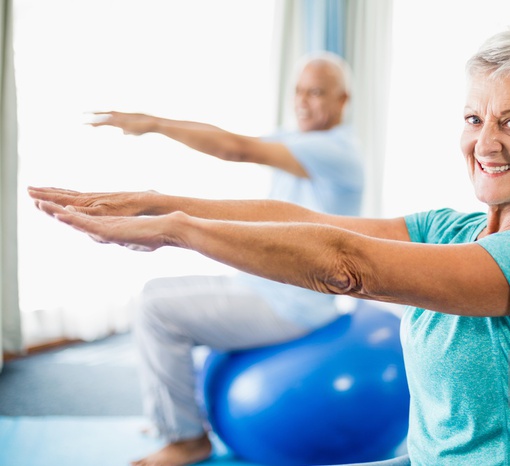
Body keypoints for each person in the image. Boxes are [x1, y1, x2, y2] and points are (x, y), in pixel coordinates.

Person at [30, 21, 510, 466]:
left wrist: (178, 231)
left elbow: (347, 264)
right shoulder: (452, 228)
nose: (485, 142)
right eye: (474, 118)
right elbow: (298, 216)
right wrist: (159, 201)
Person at [79, 51, 364, 466]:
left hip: (293, 305)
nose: (303, 101)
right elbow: (233, 141)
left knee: (156, 310)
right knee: (153, 291)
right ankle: (177, 416)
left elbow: (235, 149)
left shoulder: (336, 152)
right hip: (258, 285)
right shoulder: (298, 140)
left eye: (317, 92)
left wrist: (155, 124)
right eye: (299, 91)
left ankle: (186, 438)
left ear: (343, 100)